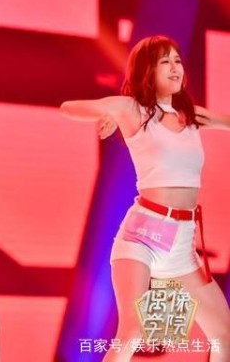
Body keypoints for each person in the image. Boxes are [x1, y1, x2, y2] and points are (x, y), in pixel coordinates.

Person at [61, 35, 230, 361]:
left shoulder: (191, 115)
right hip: (144, 235)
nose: (175, 67)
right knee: (133, 331)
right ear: (147, 70)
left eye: (177, 60)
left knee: (223, 332)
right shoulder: (134, 110)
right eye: (165, 61)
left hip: (182, 244)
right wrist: (110, 111)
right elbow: (68, 108)